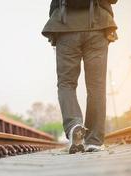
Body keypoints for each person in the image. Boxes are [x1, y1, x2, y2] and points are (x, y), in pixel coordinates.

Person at [42, 0, 118, 153]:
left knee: (66, 83)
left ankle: (73, 126)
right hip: (98, 25)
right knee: (96, 86)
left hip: (65, 26)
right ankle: (94, 141)